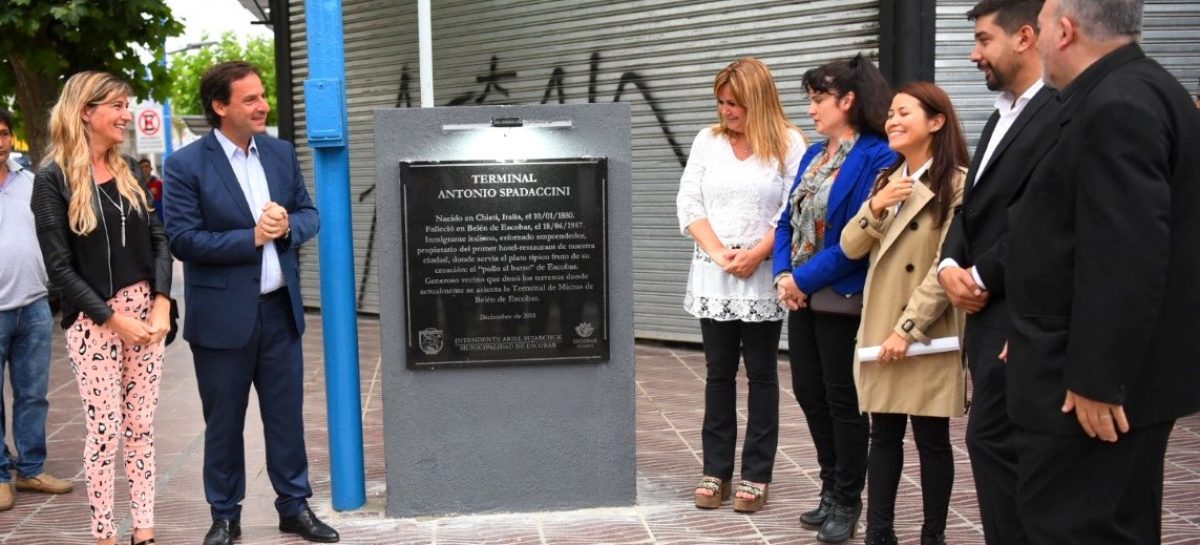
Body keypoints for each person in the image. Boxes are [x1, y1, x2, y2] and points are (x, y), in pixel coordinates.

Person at [1006, 0, 1200, 543]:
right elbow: (1069, 237)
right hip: (1080, 369)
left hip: (1087, 397)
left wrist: (1098, 378)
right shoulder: (1137, 89)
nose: (1037, 42)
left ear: (1064, 31)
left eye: (1040, 28)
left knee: (1078, 527)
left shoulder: (1119, 103)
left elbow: (1124, 253)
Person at [162, 61, 336, 545]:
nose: (263, 106)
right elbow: (183, 240)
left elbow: (309, 213)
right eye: (250, 99)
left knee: (286, 418)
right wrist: (252, 237)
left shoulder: (280, 154)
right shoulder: (185, 165)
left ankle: (294, 507)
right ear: (220, 107)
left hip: (280, 311)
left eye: (263, 96)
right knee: (223, 423)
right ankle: (224, 515)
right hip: (222, 319)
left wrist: (288, 228)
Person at [31, 71, 172, 545]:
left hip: (147, 317)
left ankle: (145, 531)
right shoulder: (51, 179)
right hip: (94, 321)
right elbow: (60, 270)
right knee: (106, 430)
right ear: (86, 112)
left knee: (141, 428)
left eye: (127, 104)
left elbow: (159, 239)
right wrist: (112, 319)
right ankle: (105, 534)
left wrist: (163, 305)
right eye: (115, 105)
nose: (126, 114)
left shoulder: (130, 168)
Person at [936, 2, 1058, 544]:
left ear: (1025, 37)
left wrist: (981, 274)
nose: (973, 53)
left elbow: (1047, 217)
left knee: (1008, 451)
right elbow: (974, 207)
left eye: (984, 40)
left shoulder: (1059, 112)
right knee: (990, 448)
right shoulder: (997, 116)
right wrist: (947, 266)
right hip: (984, 320)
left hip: (1022, 315)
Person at [773, 55, 896, 545]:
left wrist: (801, 279)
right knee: (809, 392)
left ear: (848, 100)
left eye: (818, 98)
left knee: (842, 398)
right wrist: (784, 273)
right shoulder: (812, 155)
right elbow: (786, 219)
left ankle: (848, 498)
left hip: (840, 293)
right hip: (800, 292)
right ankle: (830, 486)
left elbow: (856, 241)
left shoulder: (878, 155)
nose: (811, 108)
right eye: (810, 98)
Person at [841, 82, 969, 545]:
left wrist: (906, 329)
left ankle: (932, 536)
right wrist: (875, 206)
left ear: (936, 122)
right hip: (880, 328)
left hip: (927, 329)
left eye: (903, 113)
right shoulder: (889, 181)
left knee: (932, 439)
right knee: (884, 436)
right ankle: (880, 534)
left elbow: (945, 266)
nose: (892, 121)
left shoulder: (955, 182)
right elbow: (850, 247)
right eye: (890, 114)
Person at [676, 57, 806, 513]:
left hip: (762, 274)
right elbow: (689, 201)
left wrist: (756, 254)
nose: (727, 111)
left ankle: (756, 475)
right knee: (717, 374)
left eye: (736, 104)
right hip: (716, 273)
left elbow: (793, 210)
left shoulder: (788, 143)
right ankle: (716, 471)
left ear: (759, 100)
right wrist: (720, 254)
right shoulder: (707, 141)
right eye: (722, 102)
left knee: (763, 374)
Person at [0, 109, 74, 513]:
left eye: (4, 133)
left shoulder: (31, 182)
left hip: (34, 306)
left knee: (33, 395)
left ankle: (29, 469)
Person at [138, 158, 163, 223]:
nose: (144, 169)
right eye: (141, 167)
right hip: (143, 218)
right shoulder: (137, 185)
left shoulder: (159, 183)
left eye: (146, 166)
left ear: (151, 168)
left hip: (158, 217)